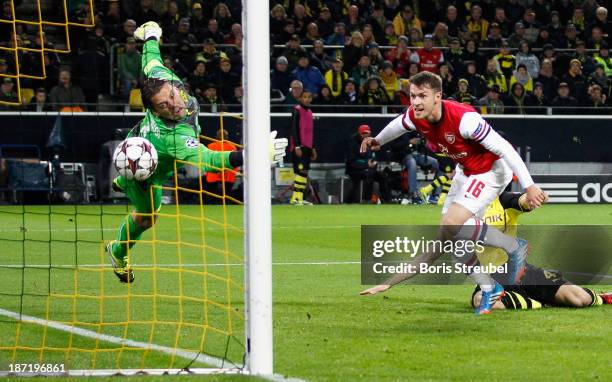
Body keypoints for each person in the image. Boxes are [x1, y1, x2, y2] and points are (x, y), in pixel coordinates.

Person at [106, 22, 287, 283]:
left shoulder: (161, 77)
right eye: (164, 106)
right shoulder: (176, 137)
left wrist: (151, 35)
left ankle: (123, 178)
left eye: (171, 96)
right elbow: (211, 160)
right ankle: (118, 249)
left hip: (136, 144)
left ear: (170, 84)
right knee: (148, 219)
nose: (174, 104)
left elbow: (150, 59)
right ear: (155, 111)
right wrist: (253, 156)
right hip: (146, 172)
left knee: (141, 185)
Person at [359, 71, 547, 315]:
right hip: (466, 171)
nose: (415, 102)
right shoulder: (416, 116)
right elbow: (398, 125)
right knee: (453, 244)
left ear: (437, 97)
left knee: (452, 222)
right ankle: (489, 286)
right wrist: (378, 141)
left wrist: (529, 185)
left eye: (422, 96)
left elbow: (505, 150)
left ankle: (512, 246)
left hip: (491, 171)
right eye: (412, 96)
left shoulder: (465, 120)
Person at [471, 191, 612, 310]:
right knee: (480, 301)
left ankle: (603, 297)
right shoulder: (460, 210)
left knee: (580, 299)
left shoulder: (502, 201)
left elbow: (522, 200)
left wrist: (535, 196)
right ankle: (539, 302)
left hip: (521, 271)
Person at [346, 125, 390, 204]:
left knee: (382, 175)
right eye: (364, 133)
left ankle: (386, 200)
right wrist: (367, 164)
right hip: (354, 170)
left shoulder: (370, 143)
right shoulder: (353, 144)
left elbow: (371, 157)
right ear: (359, 133)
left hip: (367, 169)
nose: (366, 135)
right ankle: (367, 199)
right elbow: (352, 161)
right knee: (368, 174)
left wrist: (373, 162)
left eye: (367, 133)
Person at [289, 90, 316, 205]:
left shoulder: (310, 112)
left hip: (307, 147)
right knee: (300, 171)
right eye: (305, 97)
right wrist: (297, 146)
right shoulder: (297, 110)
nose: (307, 99)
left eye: (309, 97)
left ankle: (299, 198)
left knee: (304, 172)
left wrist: (312, 148)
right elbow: (294, 129)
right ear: (300, 98)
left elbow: (310, 132)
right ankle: (295, 198)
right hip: (299, 146)